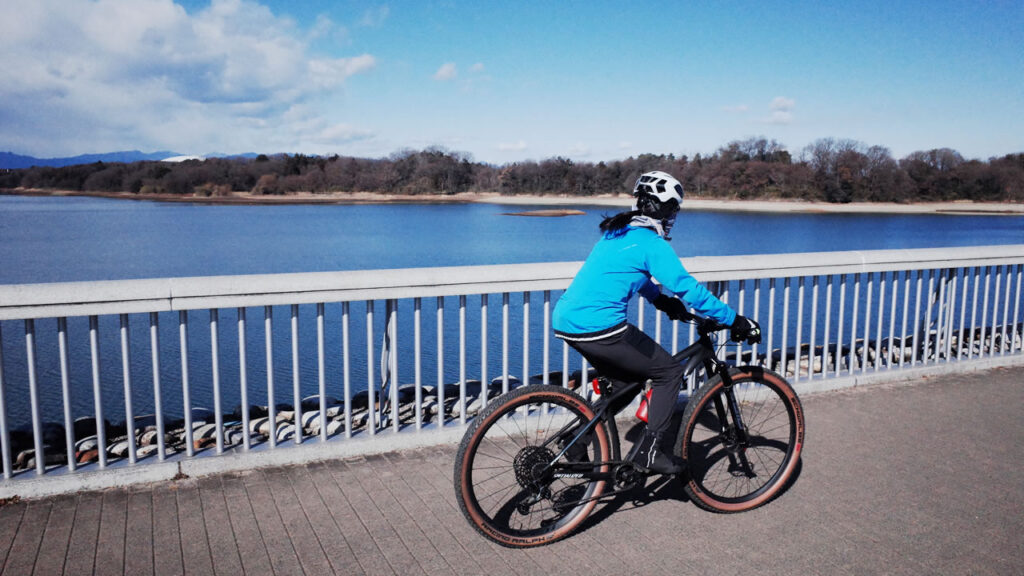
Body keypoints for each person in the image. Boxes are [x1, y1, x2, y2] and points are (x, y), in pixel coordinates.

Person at [552, 170, 761, 475]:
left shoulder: (618, 232)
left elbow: (629, 273)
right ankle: (649, 454)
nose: (674, 216)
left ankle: (577, 440)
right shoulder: (652, 243)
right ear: (663, 208)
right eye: (673, 209)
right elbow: (687, 287)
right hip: (601, 327)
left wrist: (659, 299)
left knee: (628, 380)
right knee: (669, 372)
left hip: (568, 321)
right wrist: (735, 319)